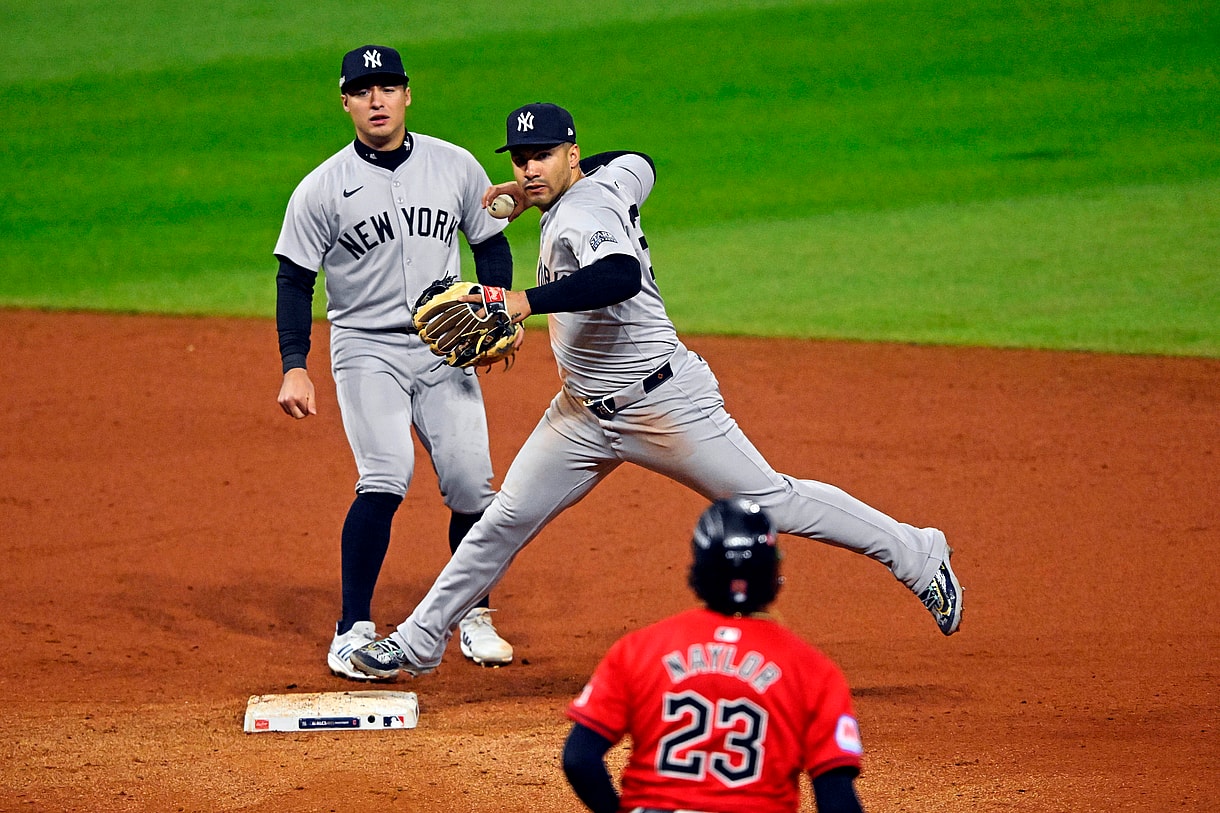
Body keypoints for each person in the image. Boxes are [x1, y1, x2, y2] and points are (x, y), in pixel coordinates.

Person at [346, 102, 961, 680]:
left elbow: (620, 274)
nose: (530, 168)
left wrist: (524, 301)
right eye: (521, 158)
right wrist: (533, 193)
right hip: (581, 416)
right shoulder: (611, 180)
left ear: (572, 154)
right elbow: (639, 159)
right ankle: (419, 639)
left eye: (544, 155)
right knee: (504, 518)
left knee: (771, 503)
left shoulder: (586, 211)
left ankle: (916, 552)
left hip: (663, 404)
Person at [272, 44, 517, 679]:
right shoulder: (322, 187)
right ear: (346, 102)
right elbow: (294, 279)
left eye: (387, 87)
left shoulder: (454, 165)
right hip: (365, 348)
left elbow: (490, 244)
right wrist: (295, 363)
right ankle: (351, 628)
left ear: (408, 94)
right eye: (362, 90)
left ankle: (474, 614)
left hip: (445, 343)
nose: (376, 100)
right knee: (384, 475)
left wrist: (496, 311)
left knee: (472, 485)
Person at [563, 497, 866, 813]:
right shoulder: (812, 670)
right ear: (772, 572)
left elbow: (579, 758)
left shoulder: (639, 650)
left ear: (700, 568)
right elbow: (837, 800)